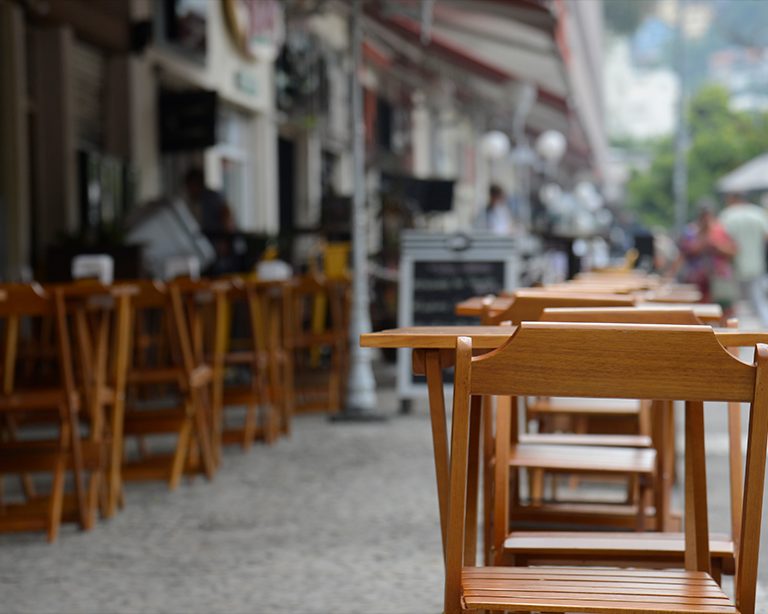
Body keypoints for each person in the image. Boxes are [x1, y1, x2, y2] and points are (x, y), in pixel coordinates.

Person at [678, 204, 737, 319]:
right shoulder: (691, 231)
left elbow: (733, 250)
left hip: (719, 277)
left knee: (724, 309)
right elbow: (685, 252)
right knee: (698, 312)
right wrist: (702, 243)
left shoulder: (721, 230)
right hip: (697, 279)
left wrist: (717, 246)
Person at [718, 192, 768, 326]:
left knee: (736, 305)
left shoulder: (727, 215)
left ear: (733, 198)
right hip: (756, 265)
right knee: (759, 302)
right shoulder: (758, 213)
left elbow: (722, 239)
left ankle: (737, 332)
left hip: (735, 266)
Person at [183, 167, 235, 233]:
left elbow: (226, 214)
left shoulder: (210, 197)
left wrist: (224, 236)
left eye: (189, 187)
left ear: (196, 184)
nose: (189, 191)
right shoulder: (203, 199)